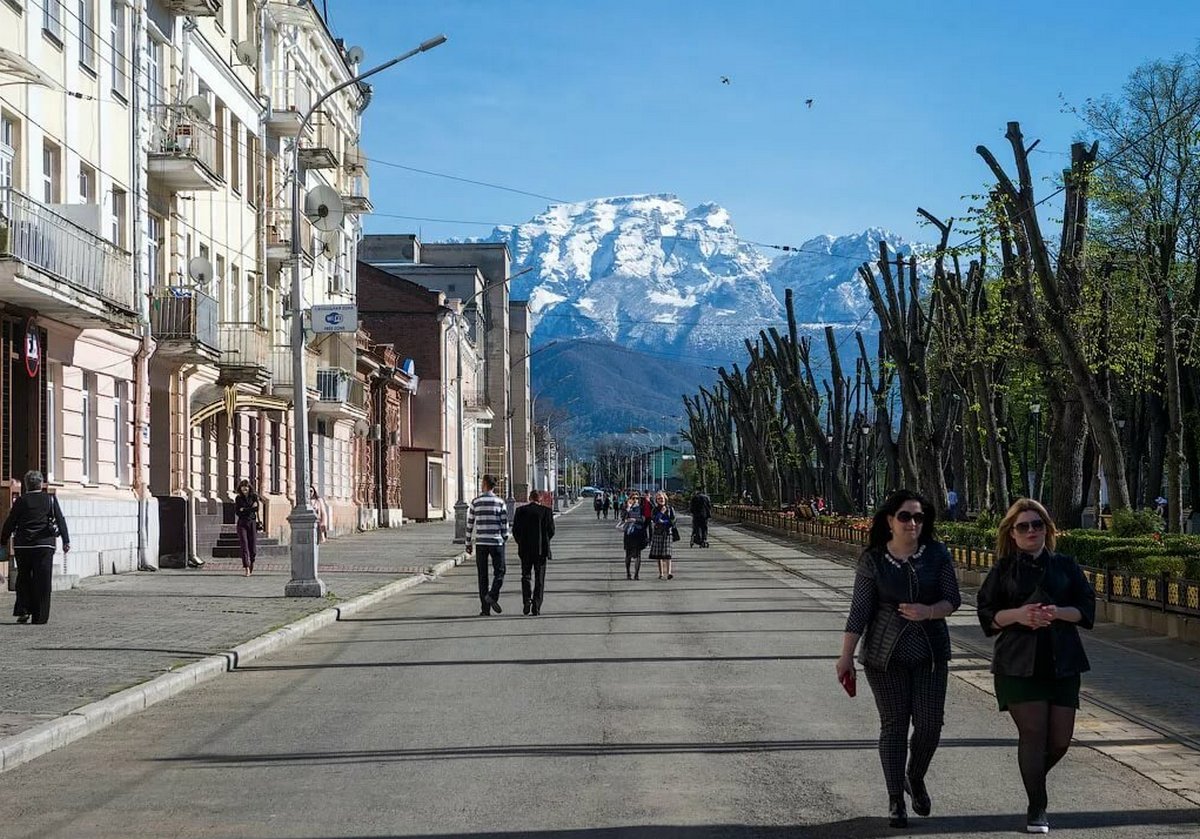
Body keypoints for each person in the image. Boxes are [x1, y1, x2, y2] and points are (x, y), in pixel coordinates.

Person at [835, 489, 961, 828]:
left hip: (931, 653)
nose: (912, 523)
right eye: (905, 516)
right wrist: (845, 656)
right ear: (890, 521)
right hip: (884, 655)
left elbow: (953, 599)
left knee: (930, 725)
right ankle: (895, 799)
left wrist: (929, 611)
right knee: (894, 725)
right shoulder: (873, 559)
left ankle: (914, 777)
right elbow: (859, 610)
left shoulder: (936, 554)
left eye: (919, 517)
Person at [976, 498, 1096, 835]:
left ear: (1047, 529)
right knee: (1033, 734)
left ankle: (1033, 780)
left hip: (1063, 663)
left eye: (1037, 524)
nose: (1031, 531)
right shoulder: (1003, 569)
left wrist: (1056, 612)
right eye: (1024, 526)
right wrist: (1020, 615)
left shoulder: (1066, 566)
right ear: (1012, 534)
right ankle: (1037, 807)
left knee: (1059, 741)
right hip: (1017, 665)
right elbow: (987, 615)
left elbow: (1086, 610)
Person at [1, 471, 70, 625]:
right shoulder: (50, 500)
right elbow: (60, 519)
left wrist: (3, 539)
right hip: (44, 545)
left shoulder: (21, 501)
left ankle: (23, 610)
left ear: (26, 484)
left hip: (23, 545)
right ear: (41, 483)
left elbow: (11, 521)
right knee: (43, 579)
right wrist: (66, 540)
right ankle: (40, 616)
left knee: (24, 577)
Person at [466, 474, 509, 616]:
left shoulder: (475, 502)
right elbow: (504, 523)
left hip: (481, 542)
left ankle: (485, 609)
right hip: (496, 541)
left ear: (484, 484)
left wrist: (468, 542)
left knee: (482, 575)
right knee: (500, 571)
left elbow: (470, 523)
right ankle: (492, 594)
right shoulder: (500, 502)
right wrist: (504, 536)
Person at [511, 489, 555, 616]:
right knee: (539, 578)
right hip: (541, 550)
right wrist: (544, 541)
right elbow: (551, 531)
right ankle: (536, 605)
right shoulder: (546, 512)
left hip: (525, 550)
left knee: (525, 576)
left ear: (530, 498)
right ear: (540, 499)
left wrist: (521, 542)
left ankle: (526, 600)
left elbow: (515, 531)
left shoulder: (520, 511)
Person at [619, 492, 650, 579]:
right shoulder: (626, 508)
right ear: (629, 499)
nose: (635, 500)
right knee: (628, 554)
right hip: (629, 533)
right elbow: (623, 518)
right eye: (633, 498)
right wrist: (628, 508)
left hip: (638, 533)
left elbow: (643, 520)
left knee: (638, 554)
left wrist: (634, 520)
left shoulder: (641, 508)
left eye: (637, 498)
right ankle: (628, 573)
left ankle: (636, 574)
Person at [648, 490, 678, 580]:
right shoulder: (655, 509)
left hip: (667, 532)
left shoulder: (670, 509)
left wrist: (665, 522)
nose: (661, 500)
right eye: (658, 498)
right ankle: (661, 573)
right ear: (656, 500)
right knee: (659, 555)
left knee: (668, 554)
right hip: (658, 533)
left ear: (665, 498)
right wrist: (661, 513)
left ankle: (669, 573)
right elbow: (654, 519)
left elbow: (673, 520)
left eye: (662, 498)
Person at [235, 480, 260, 576]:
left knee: (252, 547)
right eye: (242, 486)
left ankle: (252, 562)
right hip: (242, 524)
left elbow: (256, 509)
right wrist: (249, 508)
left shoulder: (254, 497)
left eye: (246, 486)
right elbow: (238, 512)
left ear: (249, 488)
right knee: (244, 545)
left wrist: (244, 509)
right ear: (240, 488)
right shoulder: (238, 498)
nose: (244, 488)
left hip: (252, 523)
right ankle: (246, 568)